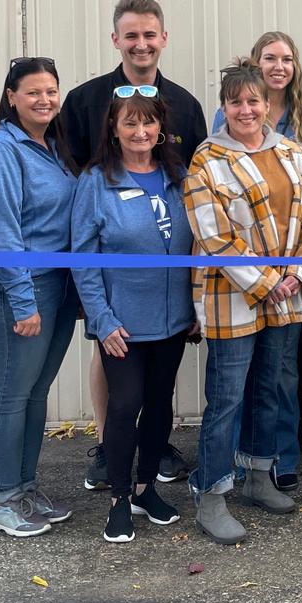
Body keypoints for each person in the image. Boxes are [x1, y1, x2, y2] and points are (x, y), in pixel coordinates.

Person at [60, 0, 208, 493]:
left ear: (163, 38)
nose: (141, 44)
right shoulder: (84, 101)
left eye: (149, 35)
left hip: (166, 282)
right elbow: (72, 172)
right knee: (110, 353)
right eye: (131, 35)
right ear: (115, 39)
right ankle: (110, 447)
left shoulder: (184, 104)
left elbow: (196, 180)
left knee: (159, 377)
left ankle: (154, 448)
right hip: (112, 266)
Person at [184, 63, 302, 543]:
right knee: (227, 398)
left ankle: (258, 476)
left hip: (289, 293)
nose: (245, 110)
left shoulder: (292, 152)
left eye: (253, 101)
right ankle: (211, 495)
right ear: (223, 108)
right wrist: (268, 281)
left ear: (268, 105)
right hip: (232, 296)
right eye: (236, 102)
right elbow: (213, 235)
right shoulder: (207, 160)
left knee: (271, 389)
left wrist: (297, 274)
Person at [71, 90, 195, 543]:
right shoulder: (95, 182)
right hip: (121, 323)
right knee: (125, 405)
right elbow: (83, 258)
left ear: (160, 128)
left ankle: (145, 489)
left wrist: (195, 307)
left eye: (148, 123)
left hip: (172, 319)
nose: (140, 132)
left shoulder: (179, 177)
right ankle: (119, 499)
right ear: (114, 129)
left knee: (161, 405)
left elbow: (198, 247)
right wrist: (101, 319)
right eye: (130, 123)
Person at [211, 32, 302, 493]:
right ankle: (240, 460)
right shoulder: (225, 122)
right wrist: (257, 275)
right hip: (241, 274)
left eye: (287, 59)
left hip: (293, 270)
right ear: (255, 65)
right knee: (240, 377)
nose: (279, 66)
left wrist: (298, 271)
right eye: (270, 58)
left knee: (283, 373)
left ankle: (282, 457)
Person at [0, 57, 80, 537]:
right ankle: (1, 500)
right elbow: (2, 232)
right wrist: (22, 300)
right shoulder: (0, 150)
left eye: (51, 91)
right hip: (19, 287)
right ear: (11, 97)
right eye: (33, 92)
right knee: (13, 394)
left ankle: (24, 489)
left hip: (57, 284)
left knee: (36, 393)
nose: (44, 100)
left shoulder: (53, 146)